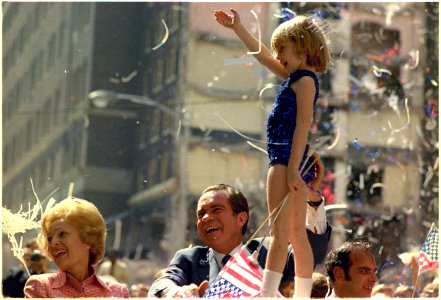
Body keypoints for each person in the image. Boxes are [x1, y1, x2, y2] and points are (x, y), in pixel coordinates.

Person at [214, 8, 330, 297]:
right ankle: (297, 293)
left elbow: (303, 126)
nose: (278, 55)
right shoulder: (296, 76)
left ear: (302, 46)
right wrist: (238, 28)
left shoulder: (304, 81)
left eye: (284, 49)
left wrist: (292, 169)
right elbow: (263, 55)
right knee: (292, 235)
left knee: (282, 235)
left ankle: (268, 294)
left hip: (286, 160)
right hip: (287, 159)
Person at [148, 153, 332, 298]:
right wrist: (178, 293)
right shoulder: (189, 259)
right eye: (201, 213)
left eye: (216, 210)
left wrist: (312, 198)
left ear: (241, 219)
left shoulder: (272, 250)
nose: (206, 218)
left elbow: (313, 251)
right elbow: (160, 285)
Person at [23, 197, 129, 298]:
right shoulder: (41, 286)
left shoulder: (118, 291)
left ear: (88, 239)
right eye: (50, 238)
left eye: (62, 234)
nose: (53, 243)